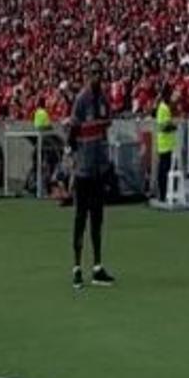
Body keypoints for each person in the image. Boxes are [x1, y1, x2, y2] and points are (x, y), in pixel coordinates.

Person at [67, 82, 119, 287]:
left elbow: (105, 129)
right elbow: (72, 133)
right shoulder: (81, 100)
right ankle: (77, 268)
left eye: (99, 73)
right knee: (80, 218)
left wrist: (105, 162)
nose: (96, 78)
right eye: (93, 73)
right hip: (83, 171)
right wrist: (72, 162)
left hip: (98, 170)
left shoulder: (104, 100)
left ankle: (97, 267)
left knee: (97, 220)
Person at [152, 91, 180, 203]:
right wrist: (174, 126)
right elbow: (164, 127)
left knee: (165, 170)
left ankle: (165, 194)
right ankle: (163, 194)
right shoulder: (164, 108)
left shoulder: (163, 108)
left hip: (165, 143)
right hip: (165, 144)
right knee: (164, 171)